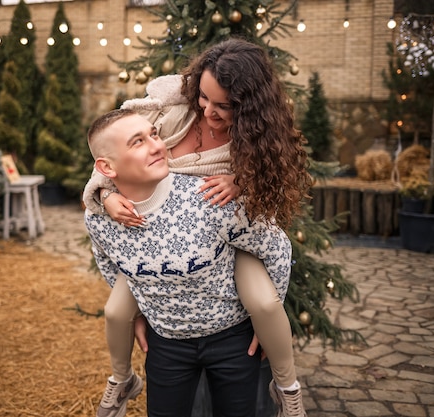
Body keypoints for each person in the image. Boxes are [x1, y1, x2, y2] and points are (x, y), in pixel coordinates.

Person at [84, 39, 311, 417]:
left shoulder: (255, 147)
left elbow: (270, 232)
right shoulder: (172, 112)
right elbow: (114, 148)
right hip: (150, 238)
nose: (209, 111)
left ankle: (287, 388)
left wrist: (242, 181)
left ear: (250, 109)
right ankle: (122, 379)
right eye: (205, 97)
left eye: (225, 106)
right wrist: (104, 195)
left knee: (264, 303)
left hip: (219, 238)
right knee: (117, 310)